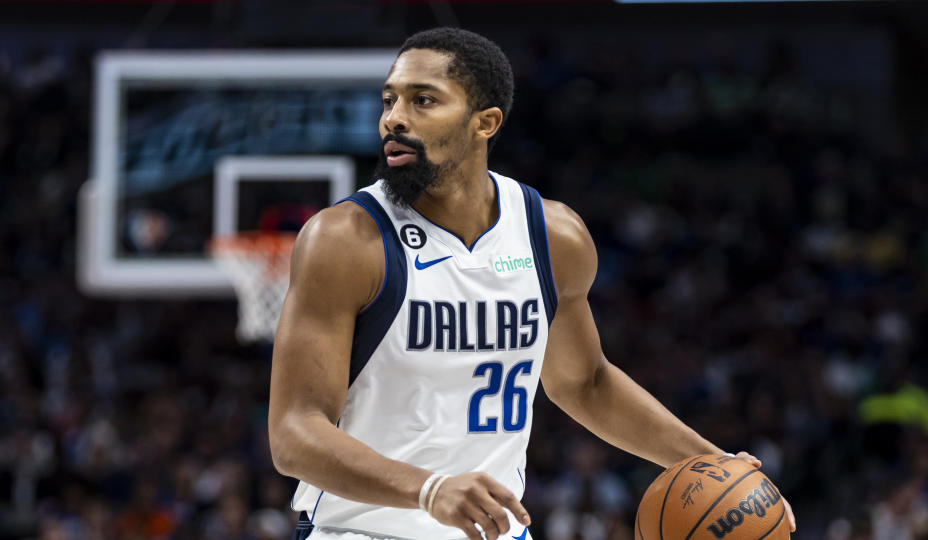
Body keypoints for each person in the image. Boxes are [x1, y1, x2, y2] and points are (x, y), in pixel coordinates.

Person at [268, 27, 797, 540]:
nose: (394, 120)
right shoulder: (344, 240)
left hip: (495, 534)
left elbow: (584, 383)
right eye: (389, 101)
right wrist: (429, 490)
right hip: (358, 531)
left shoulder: (553, 236)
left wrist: (715, 465)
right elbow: (294, 432)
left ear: (485, 123)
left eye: (423, 101)